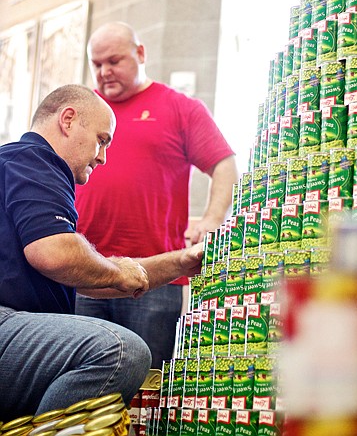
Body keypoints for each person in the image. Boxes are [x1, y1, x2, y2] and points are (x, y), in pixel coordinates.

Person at [0, 84, 204, 420]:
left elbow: (86, 274)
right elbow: (56, 255)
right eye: (102, 139)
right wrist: (121, 272)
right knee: (122, 351)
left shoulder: (18, 165)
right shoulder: (37, 159)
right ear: (68, 120)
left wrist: (178, 262)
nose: (102, 156)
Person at [75, 22, 238, 366]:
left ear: (141, 53)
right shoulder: (84, 110)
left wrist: (211, 219)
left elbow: (223, 164)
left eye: (114, 61)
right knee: (82, 389)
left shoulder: (180, 108)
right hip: (85, 275)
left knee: (146, 386)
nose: (105, 72)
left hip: (155, 278)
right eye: (97, 64)